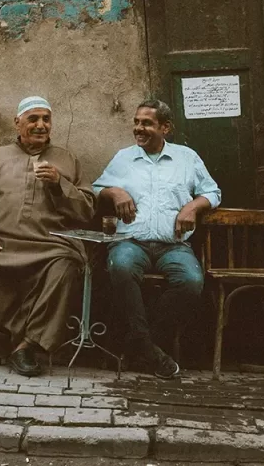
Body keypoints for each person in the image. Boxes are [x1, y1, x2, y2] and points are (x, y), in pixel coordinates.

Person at [0, 96, 94, 377]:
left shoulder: (67, 160)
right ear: (17, 123)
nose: (41, 125)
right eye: (33, 119)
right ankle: (5, 346)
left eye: (46, 119)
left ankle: (27, 346)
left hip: (52, 244)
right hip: (4, 244)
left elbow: (86, 211)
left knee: (66, 268)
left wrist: (60, 183)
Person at [93, 100, 221, 378]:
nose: (138, 128)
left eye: (147, 123)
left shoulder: (186, 158)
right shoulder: (124, 158)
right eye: (136, 122)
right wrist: (115, 192)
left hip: (174, 246)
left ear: (165, 128)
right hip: (130, 241)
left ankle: (140, 343)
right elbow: (97, 188)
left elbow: (212, 192)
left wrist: (193, 206)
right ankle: (151, 351)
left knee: (191, 281)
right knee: (121, 268)